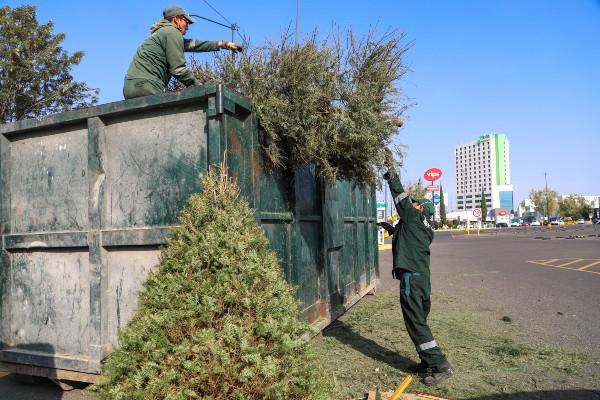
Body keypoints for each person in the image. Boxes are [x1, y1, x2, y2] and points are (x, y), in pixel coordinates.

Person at [378, 153, 454, 386]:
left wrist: (389, 168)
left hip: (412, 278)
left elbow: (399, 193)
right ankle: (426, 361)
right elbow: (409, 238)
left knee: (415, 322)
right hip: (423, 278)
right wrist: (392, 229)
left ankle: (440, 365)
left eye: (414, 203)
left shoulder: (412, 215)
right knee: (419, 319)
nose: (410, 203)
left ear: (420, 207)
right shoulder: (426, 227)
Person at [123, 5, 242, 99]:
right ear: (176, 19)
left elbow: (193, 45)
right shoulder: (172, 32)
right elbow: (178, 69)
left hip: (130, 86)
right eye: (186, 21)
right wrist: (199, 87)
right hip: (147, 85)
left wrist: (221, 44)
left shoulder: (162, 33)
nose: (188, 26)